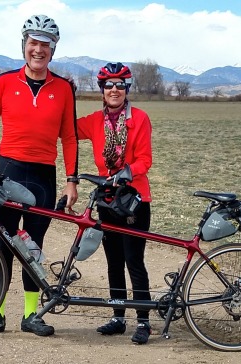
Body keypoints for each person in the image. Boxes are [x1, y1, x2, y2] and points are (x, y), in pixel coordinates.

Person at [0, 14, 79, 336]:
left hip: (44, 175)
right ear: (24, 45)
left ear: (53, 50)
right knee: (3, 244)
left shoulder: (65, 88)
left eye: (45, 45)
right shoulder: (4, 82)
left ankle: (31, 315)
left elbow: (69, 137)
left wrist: (71, 180)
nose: (38, 50)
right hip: (8, 171)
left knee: (34, 248)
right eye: (33, 43)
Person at [75, 62, 153, 344]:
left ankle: (143, 320)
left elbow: (145, 159)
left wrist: (125, 173)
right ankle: (118, 317)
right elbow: (66, 127)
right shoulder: (95, 121)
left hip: (134, 201)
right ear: (101, 90)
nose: (114, 90)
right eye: (109, 85)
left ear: (127, 88)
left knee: (134, 260)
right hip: (107, 201)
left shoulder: (139, 118)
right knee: (113, 261)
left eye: (120, 84)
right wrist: (64, 95)